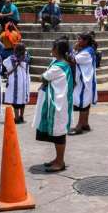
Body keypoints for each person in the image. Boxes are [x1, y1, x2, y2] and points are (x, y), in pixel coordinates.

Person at [33, 38, 74, 173]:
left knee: (59, 133)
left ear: (57, 50)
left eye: (53, 47)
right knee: (57, 132)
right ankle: (57, 159)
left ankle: (60, 161)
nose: (51, 49)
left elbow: (44, 77)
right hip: (59, 101)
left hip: (59, 103)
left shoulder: (58, 66)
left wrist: (44, 79)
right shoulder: (60, 63)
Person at [69, 32, 98, 136]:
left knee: (83, 104)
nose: (78, 41)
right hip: (86, 79)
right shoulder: (88, 50)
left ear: (86, 41)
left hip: (84, 80)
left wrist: (73, 49)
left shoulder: (86, 52)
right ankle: (85, 123)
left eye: (80, 39)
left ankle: (79, 126)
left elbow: (72, 60)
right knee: (86, 102)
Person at [3, 43, 30, 123]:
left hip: (15, 81)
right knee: (22, 100)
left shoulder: (11, 58)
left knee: (16, 101)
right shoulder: (27, 58)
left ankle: (17, 118)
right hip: (24, 80)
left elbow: (5, 63)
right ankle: (21, 116)